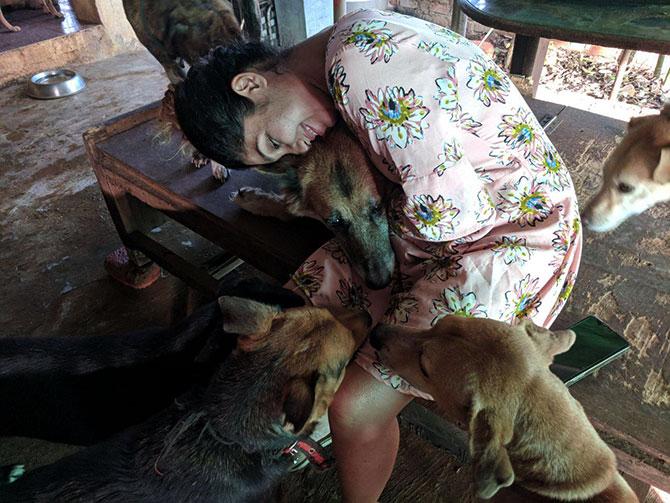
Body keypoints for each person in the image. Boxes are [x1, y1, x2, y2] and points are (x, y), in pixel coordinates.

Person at [174, 9, 582, 502]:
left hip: (509, 232)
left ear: (251, 84)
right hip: (420, 225)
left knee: (354, 407)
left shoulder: (362, 67)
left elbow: (452, 215)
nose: (295, 148)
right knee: (289, 326)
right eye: (277, 155)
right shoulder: (331, 60)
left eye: (271, 141)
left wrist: (388, 286)